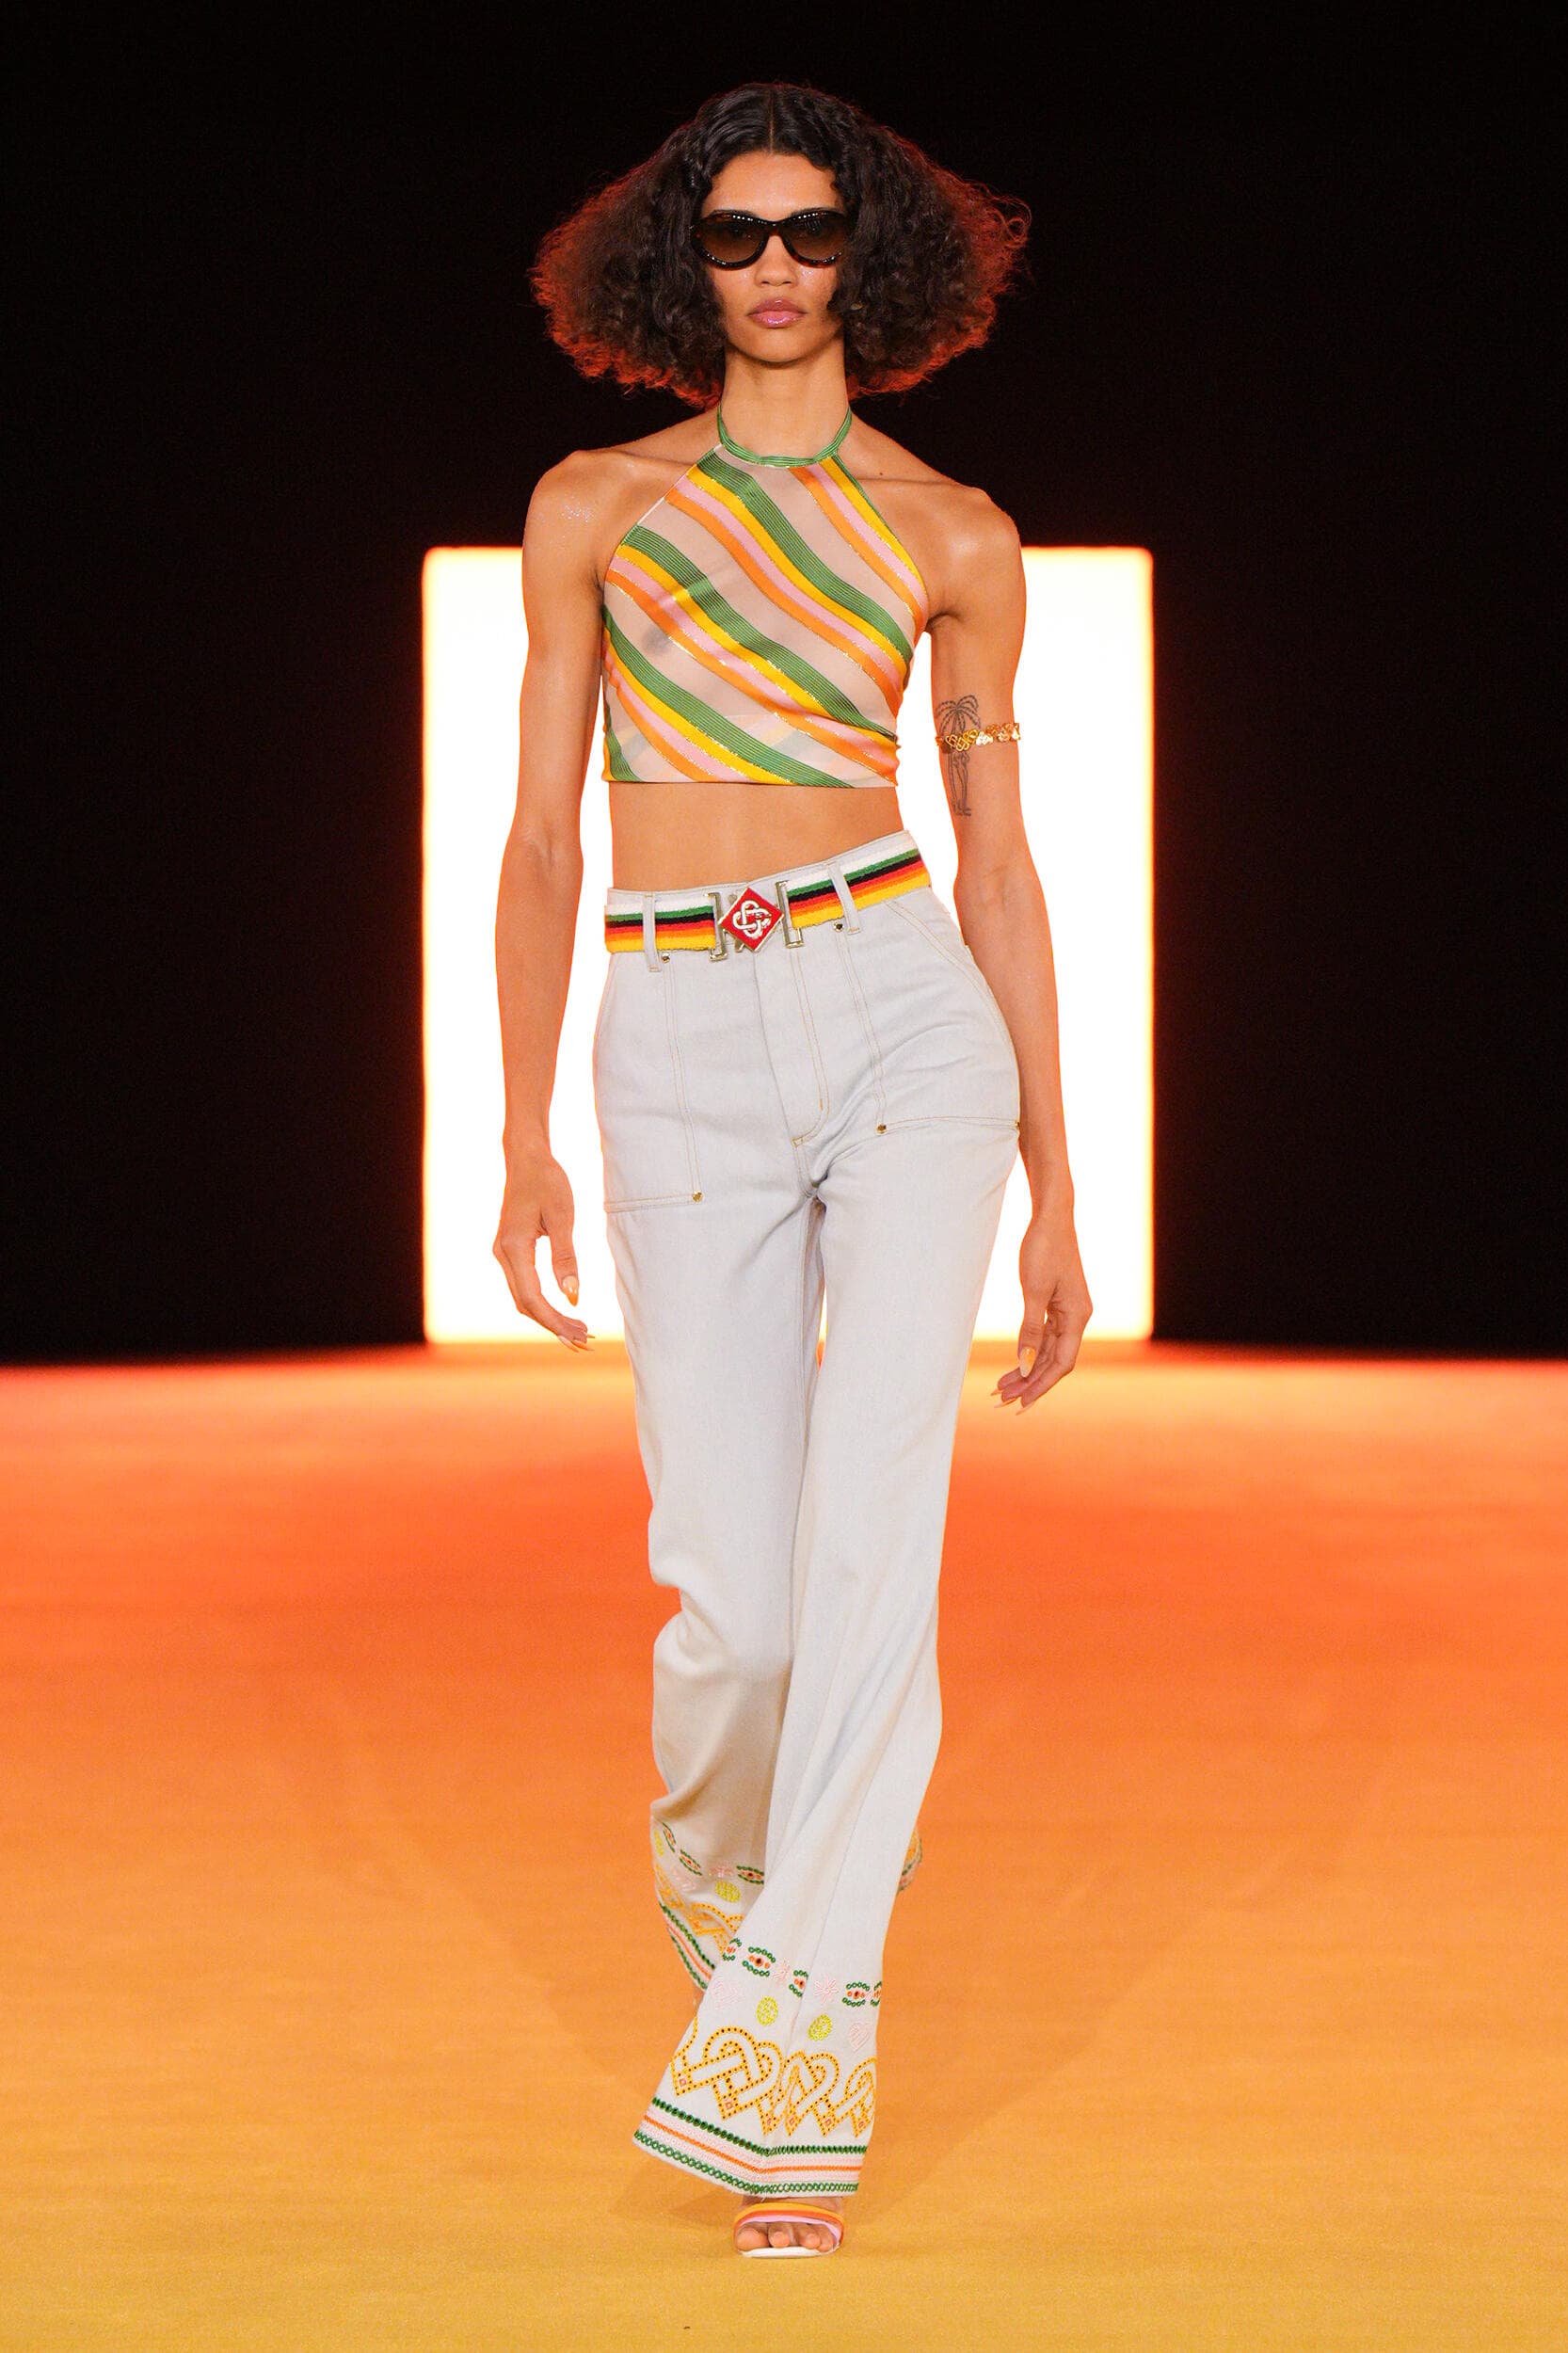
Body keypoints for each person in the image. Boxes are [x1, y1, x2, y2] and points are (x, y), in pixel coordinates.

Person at [493, 81, 1092, 2256]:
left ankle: (787, 2091)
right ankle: (730, 1895)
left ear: (873, 259)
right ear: (679, 260)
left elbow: (998, 863)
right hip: (671, 1036)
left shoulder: (953, 535)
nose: (773, 268)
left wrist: (1054, 1175)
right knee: (733, 1605)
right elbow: (541, 836)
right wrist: (519, 1125)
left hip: (899, 1012)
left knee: (867, 1565)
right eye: (735, 233)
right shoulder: (595, 507)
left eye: (812, 232)